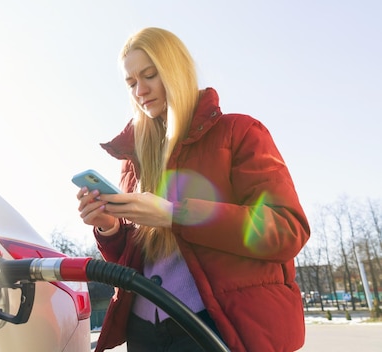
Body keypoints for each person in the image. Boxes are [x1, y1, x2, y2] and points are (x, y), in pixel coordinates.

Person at [76, 27, 310, 352]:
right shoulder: (134, 158)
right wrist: (109, 227)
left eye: (150, 75)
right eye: (131, 83)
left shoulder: (240, 132)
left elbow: (286, 230)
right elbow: (136, 258)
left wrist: (175, 214)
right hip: (144, 331)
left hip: (213, 326)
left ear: (175, 70)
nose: (140, 90)